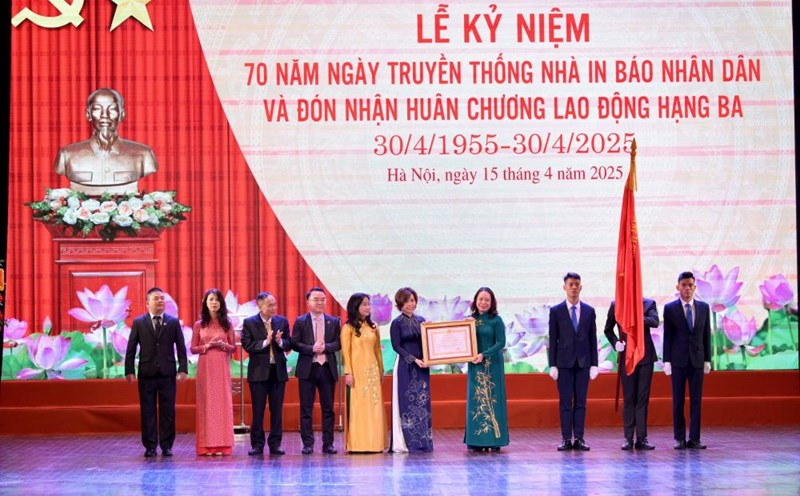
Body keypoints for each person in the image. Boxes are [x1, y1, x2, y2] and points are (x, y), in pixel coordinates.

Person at [54, 88, 157, 195]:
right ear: (88, 115)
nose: (105, 115)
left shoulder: (143, 154)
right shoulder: (67, 154)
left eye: (112, 109)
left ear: (122, 114)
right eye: (97, 109)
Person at [125, 287, 188, 458]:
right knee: (148, 411)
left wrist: (183, 368)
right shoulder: (139, 322)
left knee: (168, 411)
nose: (160, 301)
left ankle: (167, 446)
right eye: (156, 298)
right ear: (147, 303)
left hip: (167, 373)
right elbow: (131, 348)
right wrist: (129, 370)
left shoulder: (173, 322)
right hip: (147, 373)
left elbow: (181, 347)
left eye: (162, 298)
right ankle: (150, 446)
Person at [548, 272, 598, 451]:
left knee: (581, 403)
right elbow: (553, 339)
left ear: (581, 287)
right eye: (571, 284)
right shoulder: (556, 311)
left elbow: (592, 339)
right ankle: (566, 438)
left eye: (577, 284)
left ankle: (580, 438)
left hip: (583, 364)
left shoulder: (589, 311)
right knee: (565, 403)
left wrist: (594, 364)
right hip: (563, 364)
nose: (574, 287)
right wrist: (552, 364)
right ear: (565, 287)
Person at [663, 271, 712, 450]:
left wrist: (707, 359)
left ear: (695, 287)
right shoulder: (670, 308)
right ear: (678, 287)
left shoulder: (704, 308)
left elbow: (706, 335)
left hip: (697, 360)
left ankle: (695, 439)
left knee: (696, 401)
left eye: (690, 285)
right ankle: (679, 438)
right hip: (678, 361)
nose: (687, 288)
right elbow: (667, 336)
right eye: (684, 285)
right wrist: (667, 360)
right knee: (678, 400)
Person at [604, 298, 660, 450]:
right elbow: (608, 330)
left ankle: (642, 438)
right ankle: (628, 438)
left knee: (642, 398)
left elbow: (655, 321)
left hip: (645, 357)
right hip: (626, 357)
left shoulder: (648, 303)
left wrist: (634, 319)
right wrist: (616, 343)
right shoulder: (616, 305)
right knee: (629, 398)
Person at [292, 287, 341, 454]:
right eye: (316, 299)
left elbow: (338, 343)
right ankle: (308, 444)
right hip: (308, 369)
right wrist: (311, 348)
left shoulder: (333, 321)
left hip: (327, 368)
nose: (320, 303)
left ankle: (328, 443)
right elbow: (295, 343)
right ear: (308, 302)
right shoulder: (300, 321)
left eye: (322, 300)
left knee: (328, 408)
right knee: (306, 408)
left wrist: (326, 347)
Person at [241, 292, 291, 456]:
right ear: (260, 305)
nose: (274, 308)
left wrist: (279, 342)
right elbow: (247, 345)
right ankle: (257, 445)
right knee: (258, 410)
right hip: (258, 373)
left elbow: (289, 343)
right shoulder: (249, 323)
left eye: (275, 304)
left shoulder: (282, 321)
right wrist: (265, 342)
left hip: (278, 372)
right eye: (270, 305)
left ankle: (275, 444)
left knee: (276, 411)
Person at [189, 288, 235, 456]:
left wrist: (224, 345)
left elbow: (233, 348)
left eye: (217, 300)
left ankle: (223, 445)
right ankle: (206, 446)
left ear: (221, 303)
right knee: (206, 404)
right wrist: (206, 346)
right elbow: (193, 348)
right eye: (211, 300)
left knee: (222, 404)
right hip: (206, 366)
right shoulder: (199, 324)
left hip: (221, 366)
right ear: (205, 303)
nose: (214, 303)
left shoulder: (227, 324)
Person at [464, 287, 509, 452]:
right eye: (481, 299)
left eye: (487, 300)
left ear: (492, 302)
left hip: (492, 365)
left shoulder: (496, 320)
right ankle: (476, 441)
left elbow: (501, 342)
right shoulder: (469, 320)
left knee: (493, 399)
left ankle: (495, 440)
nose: (483, 302)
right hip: (475, 364)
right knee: (476, 400)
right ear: (475, 301)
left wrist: (484, 354)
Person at [341, 293, 387, 453]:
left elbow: (378, 351)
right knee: (358, 406)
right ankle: (358, 444)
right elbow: (346, 352)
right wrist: (348, 372)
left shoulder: (374, 327)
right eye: (364, 304)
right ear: (355, 307)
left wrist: (381, 370)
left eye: (369, 304)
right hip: (356, 373)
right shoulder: (348, 328)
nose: (368, 307)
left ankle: (375, 444)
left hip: (372, 373)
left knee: (374, 406)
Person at [389, 287, 433, 453]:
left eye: (413, 300)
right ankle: (407, 443)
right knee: (406, 402)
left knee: (422, 403)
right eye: (407, 301)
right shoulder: (397, 323)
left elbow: (428, 342)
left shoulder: (422, 321)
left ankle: (423, 442)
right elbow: (396, 346)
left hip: (422, 366)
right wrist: (414, 360)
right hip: (405, 366)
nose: (411, 304)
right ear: (400, 303)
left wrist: (430, 332)